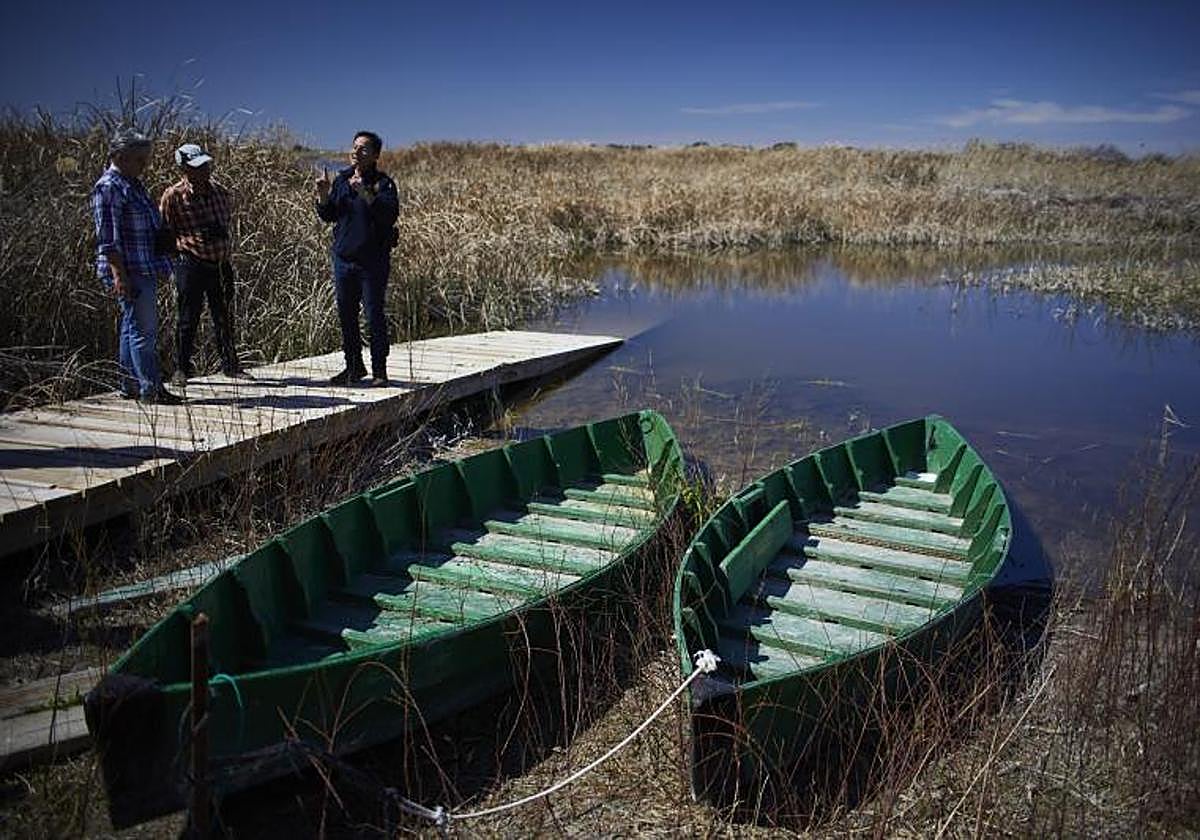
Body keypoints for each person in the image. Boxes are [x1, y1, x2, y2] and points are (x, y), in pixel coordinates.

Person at [91, 127, 183, 404]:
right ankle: (151, 388)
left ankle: (129, 384)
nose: (144, 165)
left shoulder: (133, 184)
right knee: (144, 331)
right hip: (131, 270)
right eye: (139, 159)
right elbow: (107, 238)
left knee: (132, 327)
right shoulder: (109, 187)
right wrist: (119, 275)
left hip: (144, 266)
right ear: (120, 156)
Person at [314, 130, 399, 386]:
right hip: (343, 260)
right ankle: (353, 367)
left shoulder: (384, 183)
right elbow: (329, 215)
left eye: (363, 148)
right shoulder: (341, 180)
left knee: (374, 315)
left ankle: (379, 372)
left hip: (372, 262)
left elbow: (388, 214)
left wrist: (364, 191)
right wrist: (323, 195)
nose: (356, 152)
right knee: (346, 315)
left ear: (375, 155)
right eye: (354, 147)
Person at [159, 142, 248, 385]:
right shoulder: (173, 196)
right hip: (191, 262)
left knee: (224, 315)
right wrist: (177, 255)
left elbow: (227, 220)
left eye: (206, 165)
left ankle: (230, 364)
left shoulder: (220, 192)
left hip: (219, 262)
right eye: (197, 167)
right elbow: (166, 232)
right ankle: (181, 368)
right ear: (184, 168)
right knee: (188, 317)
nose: (204, 171)